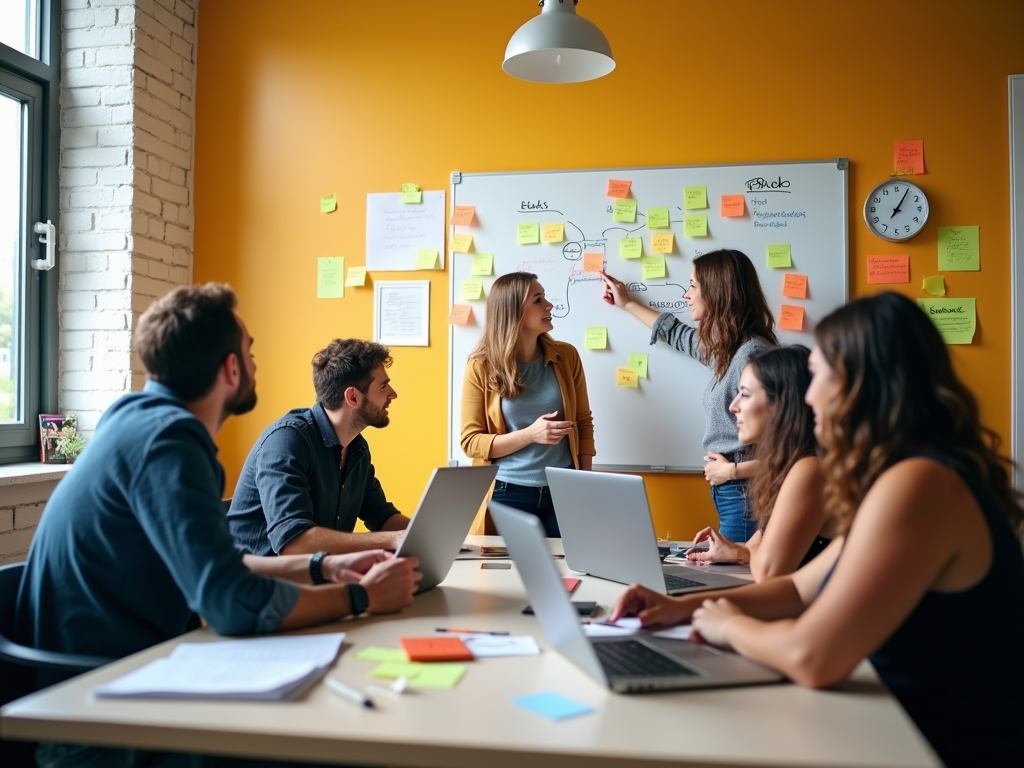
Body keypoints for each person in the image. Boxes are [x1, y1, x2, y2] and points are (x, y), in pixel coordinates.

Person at [611, 292, 1024, 768]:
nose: (807, 397)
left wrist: (729, 625)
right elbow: (799, 589)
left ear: (860, 384)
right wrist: (679, 608)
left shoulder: (921, 484)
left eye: (820, 376)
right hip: (897, 729)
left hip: (941, 746)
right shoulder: (900, 476)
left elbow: (813, 658)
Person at [15, 285, 421, 767]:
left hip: (126, 682)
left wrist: (325, 570)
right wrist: (363, 597)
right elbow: (231, 602)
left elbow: (224, 566)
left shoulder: (141, 422)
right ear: (231, 369)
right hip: (100, 715)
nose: (254, 362)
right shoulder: (169, 442)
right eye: (249, 351)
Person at [601, 249, 777, 541]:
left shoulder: (752, 355)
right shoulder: (730, 351)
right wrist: (628, 303)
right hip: (733, 490)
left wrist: (732, 472)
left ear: (718, 292)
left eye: (693, 286)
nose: (687, 295)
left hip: (744, 491)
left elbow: (794, 446)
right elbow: (680, 336)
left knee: (737, 577)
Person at [228, 339, 410, 556]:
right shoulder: (287, 441)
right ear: (352, 396)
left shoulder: (357, 448)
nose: (393, 394)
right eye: (383, 386)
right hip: (259, 584)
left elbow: (382, 517)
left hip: (318, 578)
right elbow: (294, 544)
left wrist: (434, 536)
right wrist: (391, 539)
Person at [461, 272, 595, 537]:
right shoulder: (480, 366)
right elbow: (471, 442)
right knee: (505, 577)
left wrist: (583, 484)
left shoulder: (566, 356)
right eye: (538, 300)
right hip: (508, 493)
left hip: (564, 492)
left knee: (569, 574)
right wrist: (530, 435)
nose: (549, 305)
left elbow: (583, 422)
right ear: (514, 312)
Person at [686, 346, 832, 580]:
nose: (733, 406)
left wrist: (748, 553)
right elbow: (756, 547)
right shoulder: (785, 466)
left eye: (744, 394)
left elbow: (768, 570)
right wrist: (737, 552)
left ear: (782, 404)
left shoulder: (810, 468)